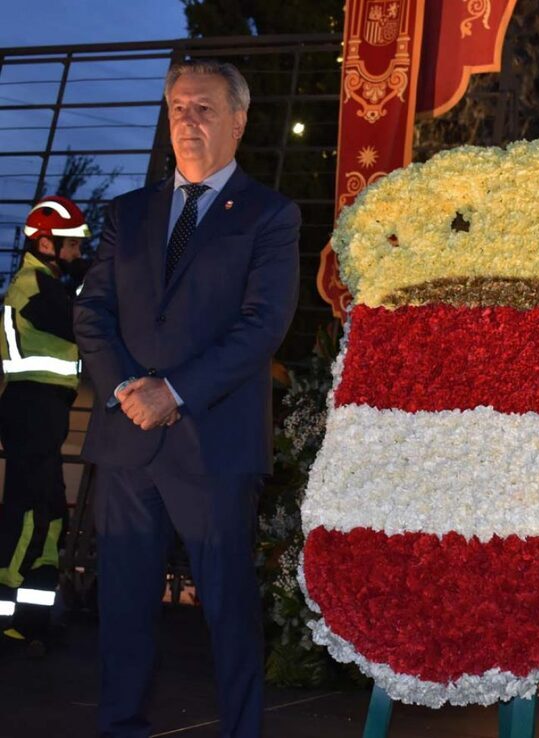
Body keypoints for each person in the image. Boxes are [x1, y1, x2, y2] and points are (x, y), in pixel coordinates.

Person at [73, 59, 300, 738]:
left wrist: (175, 391)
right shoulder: (128, 213)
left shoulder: (269, 216)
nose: (187, 121)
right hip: (127, 443)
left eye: (203, 108)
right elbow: (93, 314)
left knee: (228, 607)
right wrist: (127, 389)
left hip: (214, 446)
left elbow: (262, 325)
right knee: (122, 607)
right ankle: (120, 727)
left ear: (238, 118)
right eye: (176, 108)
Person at [0, 196, 89, 650]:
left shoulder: (47, 283)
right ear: (47, 244)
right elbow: (82, 322)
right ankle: (9, 617)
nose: (76, 254)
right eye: (72, 245)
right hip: (32, 408)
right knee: (31, 514)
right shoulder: (34, 287)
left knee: (49, 513)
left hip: (42, 410)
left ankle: (31, 619)